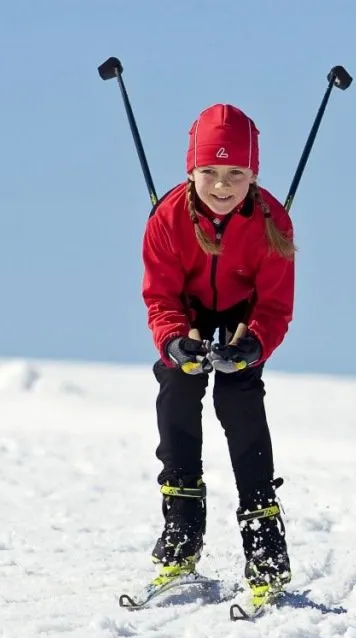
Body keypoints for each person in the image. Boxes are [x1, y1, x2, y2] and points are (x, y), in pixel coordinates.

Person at [139, 103, 296, 606]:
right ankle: (182, 529)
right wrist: (172, 340)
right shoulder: (167, 217)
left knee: (239, 399)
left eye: (236, 173)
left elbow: (275, 304)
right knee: (177, 388)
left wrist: (253, 344)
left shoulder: (273, 220)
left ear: (253, 174)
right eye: (210, 172)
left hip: (243, 320)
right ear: (191, 170)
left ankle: (264, 540)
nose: (222, 185)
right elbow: (160, 295)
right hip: (187, 315)